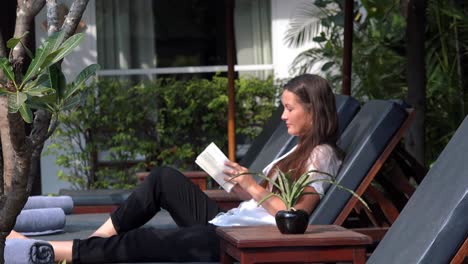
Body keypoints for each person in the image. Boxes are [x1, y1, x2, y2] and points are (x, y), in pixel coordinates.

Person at [8, 73, 343, 263]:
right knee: (163, 178)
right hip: (235, 223)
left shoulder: (322, 155)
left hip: (246, 241)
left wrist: (253, 188)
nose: (283, 116)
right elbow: (268, 200)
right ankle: (95, 243)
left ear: (312, 109)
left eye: (289, 108)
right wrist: (241, 183)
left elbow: (295, 218)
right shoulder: (297, 148)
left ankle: (53, 252)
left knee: (150, 240)